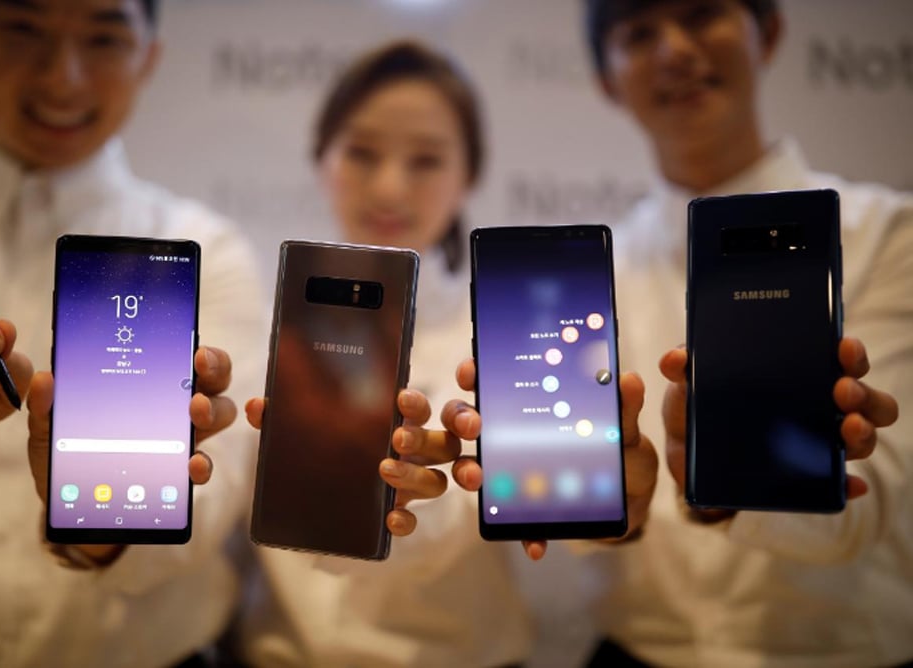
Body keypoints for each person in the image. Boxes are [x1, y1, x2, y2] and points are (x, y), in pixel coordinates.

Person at [236, 39, 660, 667]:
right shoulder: (258, 326)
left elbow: (569, 526)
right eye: (361, 152)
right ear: (321, 157)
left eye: (427, 160)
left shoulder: (505, 337)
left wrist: (622, 511)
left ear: (470, 176)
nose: (389, 187)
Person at [0, 1, 264, 665]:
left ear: (148, 57)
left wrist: (106, 521)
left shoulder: (208, 253)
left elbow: (215, 500)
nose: (62, 77)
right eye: (24, 28)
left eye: (103, 38)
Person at [566, 0, 908, 665]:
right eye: (640, 33)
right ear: (607, 78)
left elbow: (878, 496)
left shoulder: (890, 235)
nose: (674, 50)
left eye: (701, 14)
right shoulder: (591, 271)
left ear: (768, 32)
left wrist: (724, 496)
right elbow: (583, 519)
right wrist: (610, 509)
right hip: (634, 651)